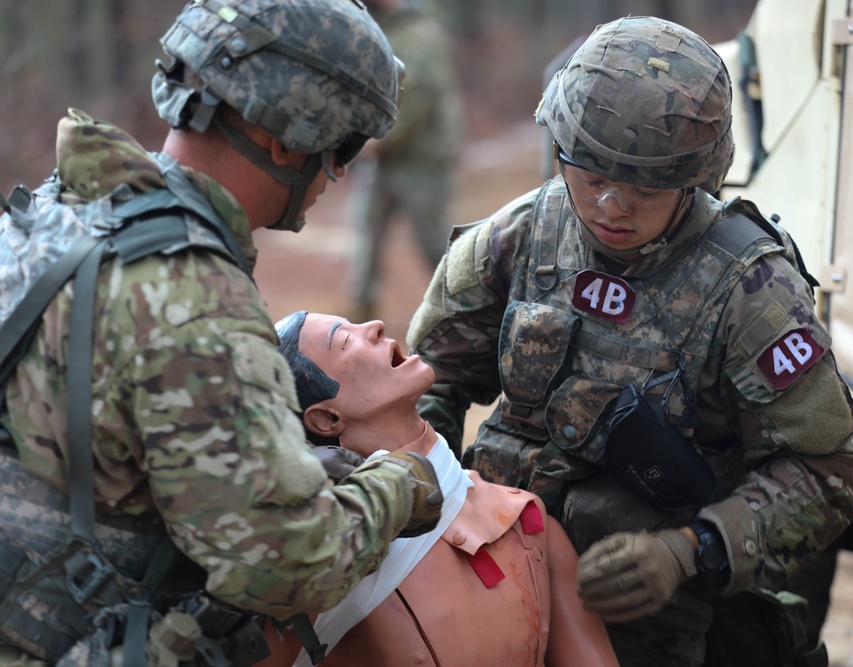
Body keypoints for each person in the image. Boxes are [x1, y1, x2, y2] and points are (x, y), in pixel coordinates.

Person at [406, 16, 853, 667]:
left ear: (696, 176)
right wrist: (432, 498)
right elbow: (424, 380)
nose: (612, 205)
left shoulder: (752, 290)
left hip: (658, 620)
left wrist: (691, 547)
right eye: (591, 176)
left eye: (645, 187)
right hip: (497, 582)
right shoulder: (522, 237)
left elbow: (824, 474)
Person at [0, 1, 445, 664]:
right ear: (288, 139)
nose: (339, 171)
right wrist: (402, 480)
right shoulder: (194, 302)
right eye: (343, 144)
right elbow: (293, 561)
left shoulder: (59, 210)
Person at [257, 310, 620, 666]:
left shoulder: (530, 526)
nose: (376, 326)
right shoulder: (317, 563)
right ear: (325, 418)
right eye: (345, 340)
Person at [348, 0, 464, 322]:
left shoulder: (423, 33)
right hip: (382, 158)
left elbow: (421, 96)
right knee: (366, 238)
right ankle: (360, 312)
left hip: (421, 161)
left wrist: (379, 142)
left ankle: (461, 310)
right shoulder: (373, 25)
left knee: (434, 243)